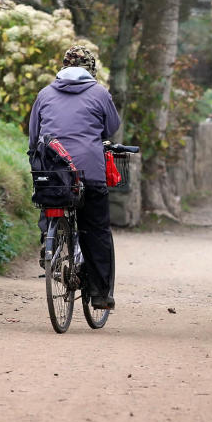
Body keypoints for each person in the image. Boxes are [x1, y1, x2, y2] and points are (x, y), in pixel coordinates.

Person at [28, 45, 121, 310]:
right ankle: (101, 294)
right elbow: (111, 127)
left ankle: (50, 244)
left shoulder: (45, 94)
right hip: (89, 173)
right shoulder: (100, 93)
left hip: (52, 173)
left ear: (63, 67)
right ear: (91, 71)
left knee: (51, 198)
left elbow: (34, 137)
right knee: (97, 229)